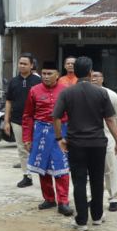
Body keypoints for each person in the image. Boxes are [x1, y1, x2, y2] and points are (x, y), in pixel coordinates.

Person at [53, 56, 117, 231]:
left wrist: (60, 139)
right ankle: (97, 216)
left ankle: (81, 221)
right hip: (97, 144)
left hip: (76, 144)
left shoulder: (67, 93)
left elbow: (56, 117)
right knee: (97, 180)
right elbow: (110, 120)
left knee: (79, 181)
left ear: (75, 72)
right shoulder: (101, 92)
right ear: (90, 72)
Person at [22, 62, 72, 215]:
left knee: (61, 168)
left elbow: (72, 114)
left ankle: (63, 202)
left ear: (57, 74)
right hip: (41, 133)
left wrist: (70, 135)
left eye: (49, 74)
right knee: (42, 168)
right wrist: (27, 138)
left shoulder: (66, 91)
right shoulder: (34, 91)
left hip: (61, 133)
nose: (46, 76)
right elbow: (28, 116)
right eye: (43, 73)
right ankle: (49, 198)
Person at [5, 53, 42, 188]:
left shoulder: (38, 81)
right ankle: (27, 176)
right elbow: (9, 101)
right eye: (20, 63)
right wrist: (6, 121)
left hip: (36, 120)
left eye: (25, 63)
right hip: (17, 120)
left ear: (31, 66)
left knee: (38, 147)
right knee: (22, 148)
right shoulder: (13, 82)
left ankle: (44, 174)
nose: (22, 66)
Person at [91, 71, 117, 212]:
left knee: (110, 168)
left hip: (107, 134)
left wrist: (111, 128)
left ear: (103, 79)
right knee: (91, 169)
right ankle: (92, 197)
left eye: (97, 76)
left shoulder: (111, 95)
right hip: (88, 135)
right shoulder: (84, 92)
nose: (94, 78)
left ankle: (114, 198)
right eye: (91, 76)